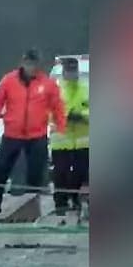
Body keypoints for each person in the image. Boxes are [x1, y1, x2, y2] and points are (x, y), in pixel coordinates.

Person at [0, 48, 67, 216]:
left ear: (38, 65)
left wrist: (61, 125)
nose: (30, 67)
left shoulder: (47, 84)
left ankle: (31, 208)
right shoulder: (9, 80)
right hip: (12, 134)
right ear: (22, 63)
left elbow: (57, 106)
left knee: (35, 174)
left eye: (33, 63)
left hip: (37, 135)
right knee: (1, 169)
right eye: (28, 63)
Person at [50, 57, 89, 218]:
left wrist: (82, 116)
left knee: (81, 173)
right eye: (68, 70)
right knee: (60, 174)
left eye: (74, 70)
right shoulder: (55, 91)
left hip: (83, 141)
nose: (71, 73)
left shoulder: (87, 89)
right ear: (63, 72)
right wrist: (65, 116)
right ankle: (61, 203)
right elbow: (48, 113)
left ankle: (76, 199)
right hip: (61, 141)